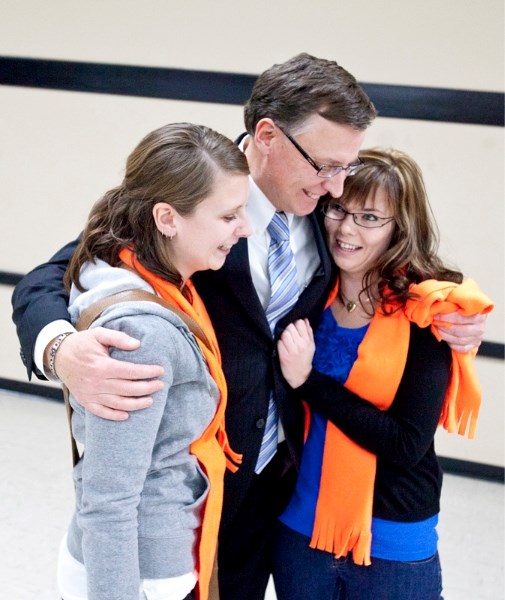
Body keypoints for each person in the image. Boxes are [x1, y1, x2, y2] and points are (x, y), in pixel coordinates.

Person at [11, 54, 487, 600]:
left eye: (345, 169)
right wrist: (59, 349)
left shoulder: (323, 211)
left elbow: (388, 250)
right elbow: (50, 277)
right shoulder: (194, 192)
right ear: (268, 136)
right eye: (325, 166)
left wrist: (451, 313)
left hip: (274, 481)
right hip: (187, 487)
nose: (336, 189)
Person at [272, 148, 493, 600]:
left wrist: (309, 381)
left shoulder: (427, 314)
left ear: (399, 227)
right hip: (299, 525)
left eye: (370, 217)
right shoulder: (308, 294)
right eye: (338, 209)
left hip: (391, 537)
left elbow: (405, 443)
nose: (346, 229)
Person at [55, 122, 251, 600]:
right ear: (167, 217)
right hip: (141, 575)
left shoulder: (141, 272)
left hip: (152, 553)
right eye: (229, 216)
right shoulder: (143, 332)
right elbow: (109, 499)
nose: (244, 228)